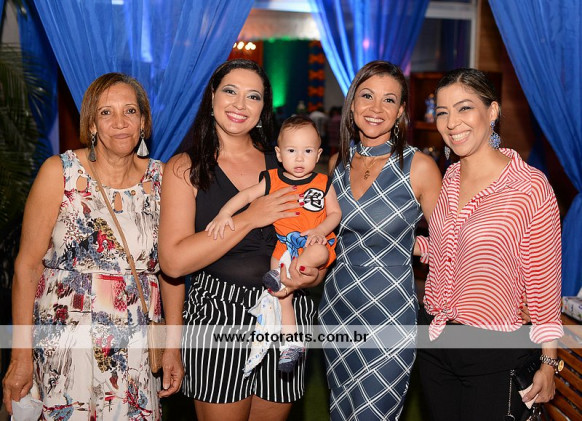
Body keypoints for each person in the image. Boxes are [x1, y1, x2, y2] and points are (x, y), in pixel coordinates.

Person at [2, 73, 184, 419]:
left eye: (130, 111)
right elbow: (27, 267)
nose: (120, 122)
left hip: (135, 349)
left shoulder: (163, 180)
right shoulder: (60, 172)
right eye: (106, 112)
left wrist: (172, 346)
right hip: (65, 348)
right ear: (92, 124)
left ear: (144, 122)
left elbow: (172, 270)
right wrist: (20, 355)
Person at [158, 59, 322, 421]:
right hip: (218, 314)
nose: (240, 104)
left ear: (264, 109)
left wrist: (311, 274)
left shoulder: (287, 163)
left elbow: (312, 240)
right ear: (212, 97)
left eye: (253, 96)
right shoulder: (185, 168)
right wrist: (249, 218)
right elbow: (173, 263)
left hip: (285, 312)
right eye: (230, 91)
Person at [415, 68, 563, 420]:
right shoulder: (450, 176)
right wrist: (405, 243)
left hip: (495, 351)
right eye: (442, 112)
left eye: (464, 108)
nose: (452, 123)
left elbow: (544, 281)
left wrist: (549, 361)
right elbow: (451, 249)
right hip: (434, 341)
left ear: (492, 111)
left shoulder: (530, 187)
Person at [318, 60, 442, 420]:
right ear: (352, 103)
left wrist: (415, 245)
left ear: (401, 111)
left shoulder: (419, 167)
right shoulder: (336, 164)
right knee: (341, 411)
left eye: (389, 100)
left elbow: (450, 244)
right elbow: (324, 237)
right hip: (336, 308)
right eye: (367, 96)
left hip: (390, 315)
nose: (376, 108)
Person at [205, 115, 341, 373]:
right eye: (291, 151)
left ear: (318, 154)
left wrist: (319, 230)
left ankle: (282, 276)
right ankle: (291, 343)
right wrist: (224, 213)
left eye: (307, 151)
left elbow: (335, 213)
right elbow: (245, 195)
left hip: (314, 243)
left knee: (318, 253)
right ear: (279, 154)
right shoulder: (272, 179)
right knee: (282, 297)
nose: (299, 158)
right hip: (284, 247)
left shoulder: (323, 183)